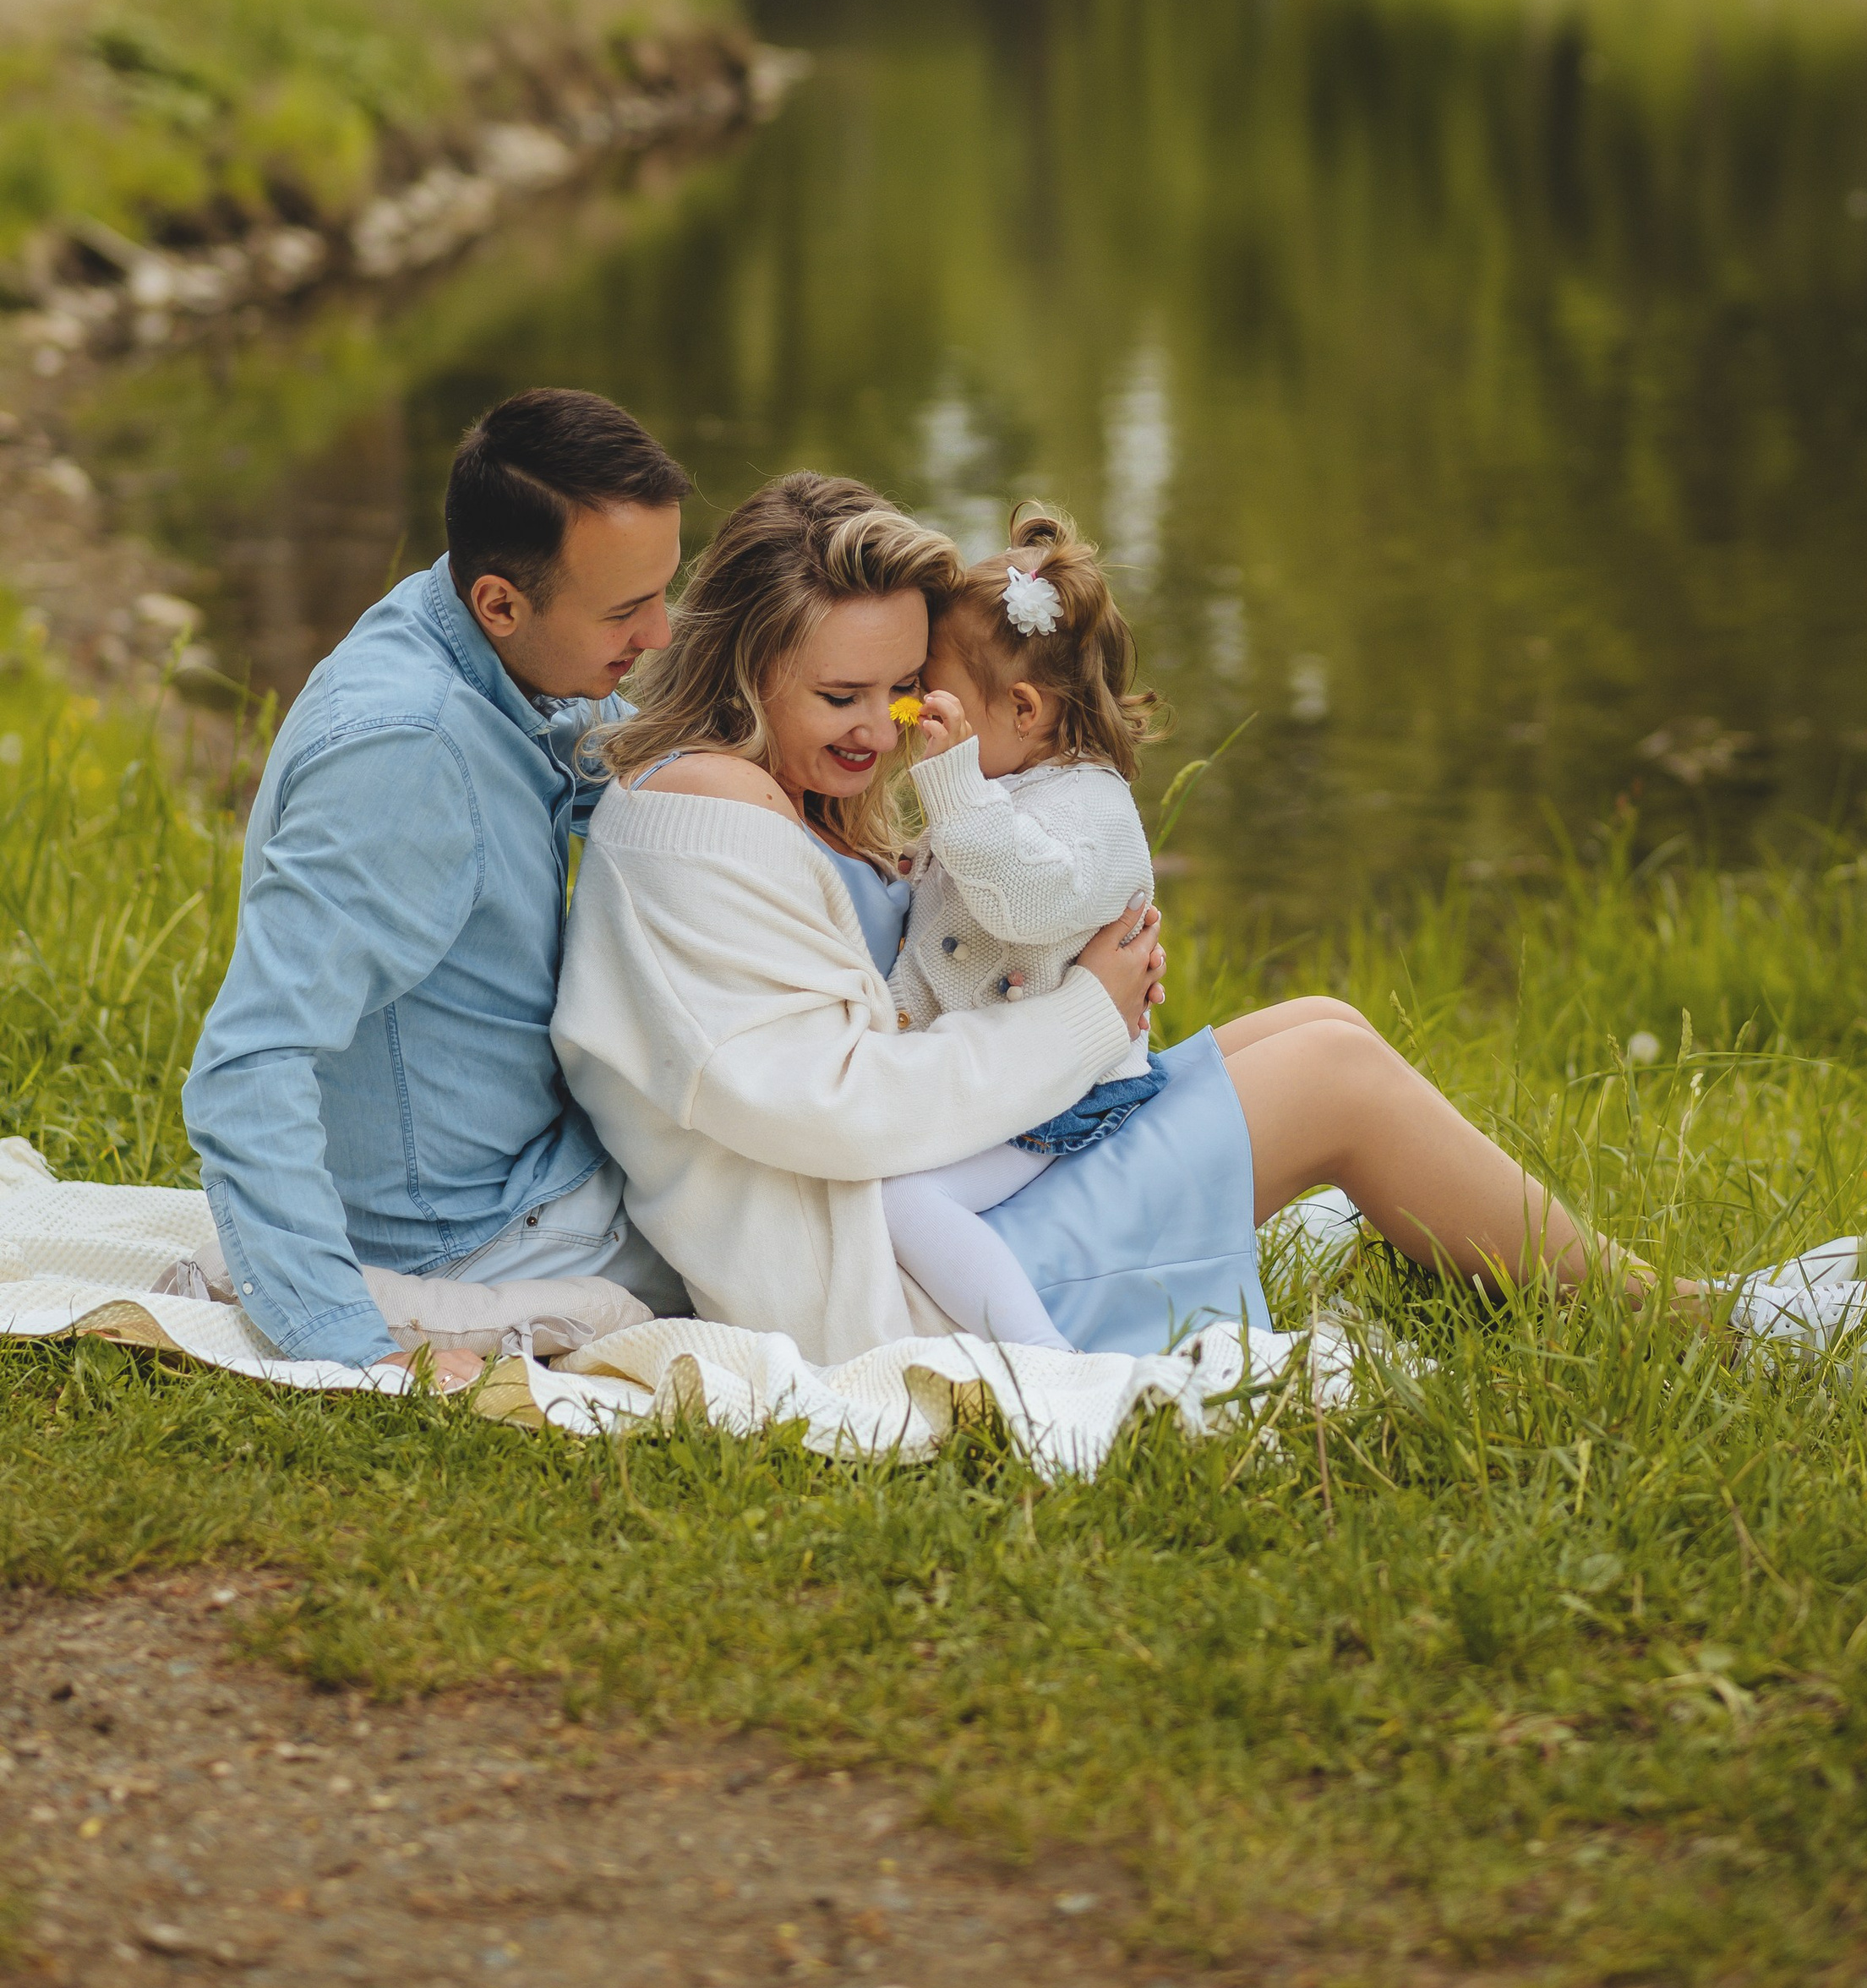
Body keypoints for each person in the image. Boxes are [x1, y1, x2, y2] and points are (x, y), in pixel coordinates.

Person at [554, 470, 1721, 1365]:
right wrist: (1083, 1018)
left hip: (938, 1201)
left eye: (900, 691)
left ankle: (1536, 1278)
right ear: (744, 667)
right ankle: (1662, 1319)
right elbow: (829, 1104)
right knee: (1331, 1080)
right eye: (839, 696)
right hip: (889, 1282)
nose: (882, 730)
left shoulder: (788, 793)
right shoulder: (700, 818)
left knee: (1319, 1021)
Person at [182, 386, 691, 1387]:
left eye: (661, 594)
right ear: (501, 600)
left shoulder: (471, 627)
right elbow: (248, 1064)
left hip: (536, 1157)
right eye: (628, 612)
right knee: (818, 1211)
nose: (662, 635)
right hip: (476, 1232)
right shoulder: (406, 755)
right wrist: (346, 1343)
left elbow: (616, 765)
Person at [878, 506, 1168, 1354]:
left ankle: (1040, 1355)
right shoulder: (1004, 786)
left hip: (1063, 1093)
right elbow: (954, 912)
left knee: (901, 1199)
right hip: (1007, 1077)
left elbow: (1023, 904)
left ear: (1025, 708)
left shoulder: (1091, 807)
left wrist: (949, 780)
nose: (908, 709)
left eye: (928, 693)